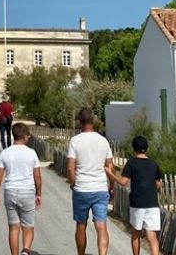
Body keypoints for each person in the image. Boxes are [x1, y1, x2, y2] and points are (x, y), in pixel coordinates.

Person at [67, 108, 113, 255]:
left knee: (81, 225)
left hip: (82, 188)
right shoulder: (103, 141)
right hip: (100, 188)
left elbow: (70, 168)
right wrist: (111, 187)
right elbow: (110, 167)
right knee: (101, 225)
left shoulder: (75, 141)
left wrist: (74, 183)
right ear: (93, 121)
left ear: (80, 122)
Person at [106, 136, 162, 255]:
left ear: (133, 149)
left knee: (136, 232)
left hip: (138, 203)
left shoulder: (131, 163)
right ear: (147, 148)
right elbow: (159, 184)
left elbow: (123, 182)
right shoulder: (154, 164)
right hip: (152, 203)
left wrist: (110, 174)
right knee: (152, 235)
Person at [0, 122, 43, 255]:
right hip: (27, 191)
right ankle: (26, 251)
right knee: (28, 227)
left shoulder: (5, 153)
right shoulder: (31, 153)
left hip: (10, 191)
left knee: (14, 228)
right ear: (25, 136)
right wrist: (39, 194)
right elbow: (37, 177)